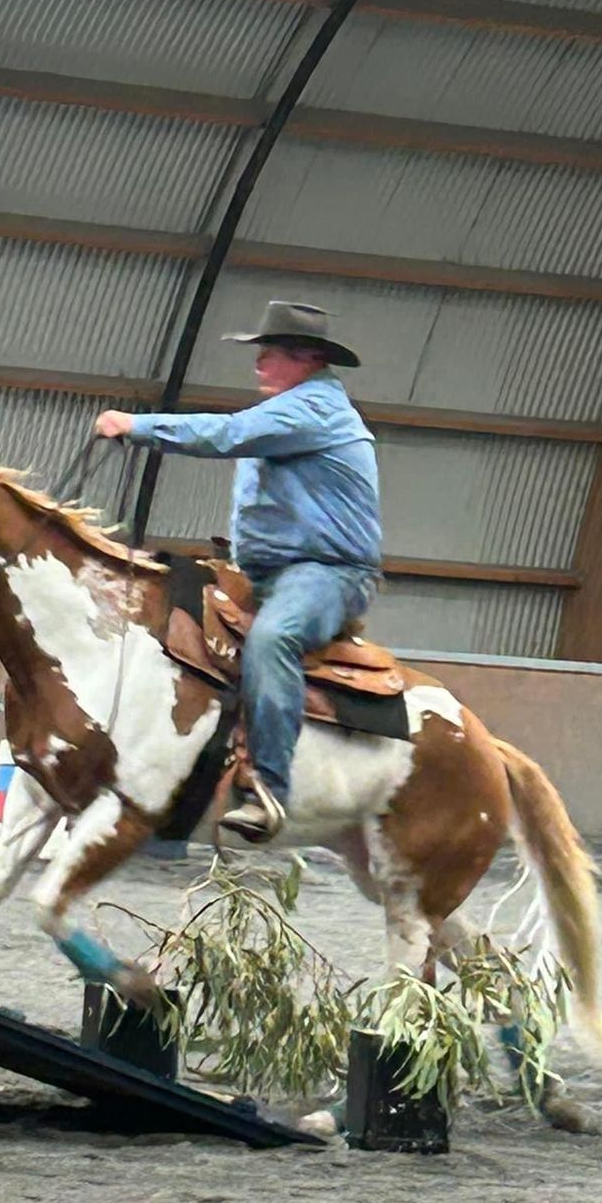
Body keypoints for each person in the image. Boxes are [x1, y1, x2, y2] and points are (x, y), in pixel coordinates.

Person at [95, 301, 381, 842]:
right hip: (269, 571)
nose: (259, 363)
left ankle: (270, 787)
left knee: (273, 639)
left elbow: (224, 435)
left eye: (269, 352)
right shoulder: (286, 412)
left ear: (306, 358)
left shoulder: (311, 411)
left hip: (327, 574)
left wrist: (137, 426)